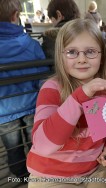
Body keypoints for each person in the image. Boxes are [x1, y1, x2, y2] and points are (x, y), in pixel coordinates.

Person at [26, 19, 106, 188]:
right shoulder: (52, 89)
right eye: (72, 52)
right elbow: (43, 145)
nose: (82, 59)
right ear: (61, 56)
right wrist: (79, 98)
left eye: (90, 51)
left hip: (92, 171)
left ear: (102, 56)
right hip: (49, 176)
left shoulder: (104, 89)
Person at [0, 0, 48, 179]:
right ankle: (37, 171)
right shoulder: (31, 44)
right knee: (35, 142)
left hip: (3, 112)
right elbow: (43, 76)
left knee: (12, 148)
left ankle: (19, 174)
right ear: (15, 16)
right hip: (31, 105)